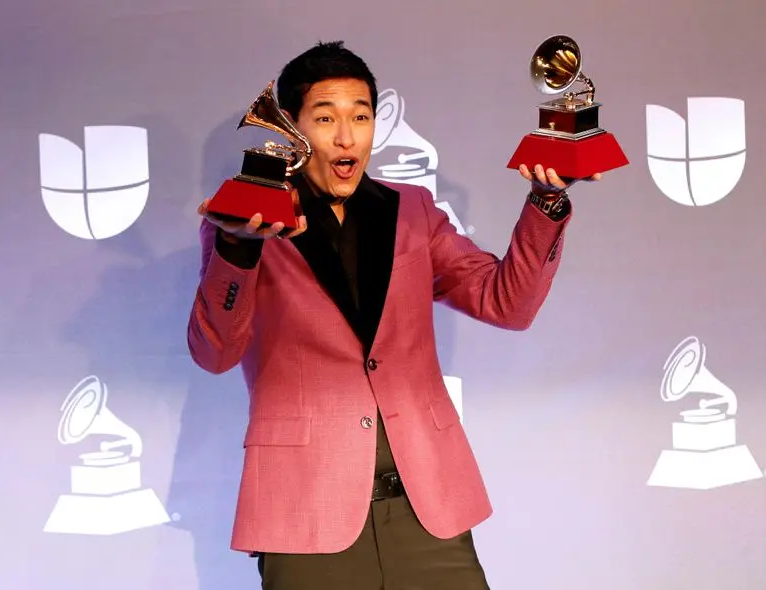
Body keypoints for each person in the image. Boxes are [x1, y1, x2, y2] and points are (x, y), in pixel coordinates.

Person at [187, 40, 600, 589]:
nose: (345, 136)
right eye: (325, 117)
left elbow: (508, 304)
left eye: (360, 117)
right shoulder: (243, 224)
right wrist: (238, 251)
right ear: (290, 127)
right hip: (307, 508)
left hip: (426, 508)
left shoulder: (413, 212)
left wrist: (545, 203)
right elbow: (214, 353)